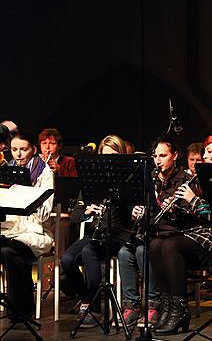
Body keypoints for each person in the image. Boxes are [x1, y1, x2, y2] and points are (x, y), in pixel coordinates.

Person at [149, 134, 212, 334]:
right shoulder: (204, 177)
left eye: (209, 152)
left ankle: (180, 309)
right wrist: (178, 208)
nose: (204, 156)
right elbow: (200, 216)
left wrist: (193, 200)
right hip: (204, 233)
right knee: (155, 244)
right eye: (204, 151)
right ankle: (167, 307)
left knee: (170, 245)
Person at [117, 137, 189, 329]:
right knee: (124, 253)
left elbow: (184, 218)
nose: (158, 160)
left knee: (144, 251)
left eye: (163, 156)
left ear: (174, 156)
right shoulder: (149, 180)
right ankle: (131, 304)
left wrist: (163, 207)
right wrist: (136, 211)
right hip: (148, 231)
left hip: (168, 234)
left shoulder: (183, 180)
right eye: (155, 156)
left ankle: (154, 304)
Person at [61, 135, 130, 328]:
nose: (109, 161)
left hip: (118, 234)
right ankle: (87, 299)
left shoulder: (127, 179)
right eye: (105, 156)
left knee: (89, 251)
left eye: (114, 156)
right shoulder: (92, 181)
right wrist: (88, 212)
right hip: (96, 234)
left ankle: (95, 309)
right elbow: (75, 215)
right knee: (67, 261)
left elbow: (129, 217)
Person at [1, 130, 54, 321]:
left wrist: (28, 194)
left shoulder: (44, 173)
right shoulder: (7, 170)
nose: (18, 154)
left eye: (23, 149)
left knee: (9, 251)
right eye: (14, 150)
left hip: (34, 232)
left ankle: (22, 309)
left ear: (32, 149)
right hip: (9, 228)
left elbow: (45, 213)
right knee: (6, 247)